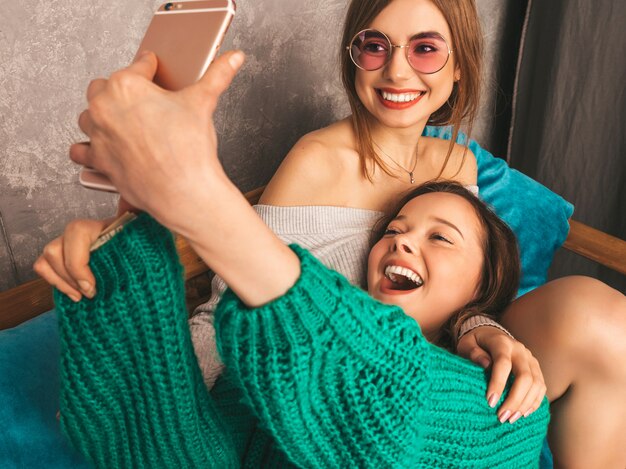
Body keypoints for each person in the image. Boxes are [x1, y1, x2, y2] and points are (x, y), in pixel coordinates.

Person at [35, 0, 626, 466]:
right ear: (353, 59)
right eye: (375, 46)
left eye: (425, 49)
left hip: (402, 369)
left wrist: (482, 324)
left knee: (523, 399)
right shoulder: (317, 161)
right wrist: (126, 288)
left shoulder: (456, 164)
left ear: (461, 65)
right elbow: (238, 324)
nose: (397, 69)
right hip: (297, 374)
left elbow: (457, 295)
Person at [55, 171, 551, 467]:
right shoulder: (256, 374)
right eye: (396, 230)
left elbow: (390, 395)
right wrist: (118, 270)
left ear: (481, 287)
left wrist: (201, 196)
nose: (402, 241)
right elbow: (167, 454)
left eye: (440, 238)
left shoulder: (510, 408)